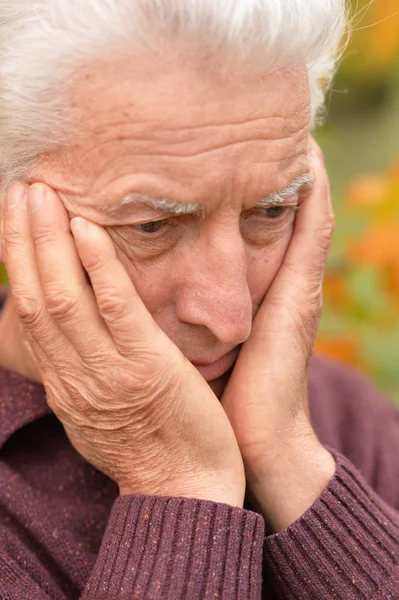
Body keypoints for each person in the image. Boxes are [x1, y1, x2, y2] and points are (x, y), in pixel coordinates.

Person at [0, 0, 397, 598]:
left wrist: (290, 463)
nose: (230, 317)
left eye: (270, 210)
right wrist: (180, 485)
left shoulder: (344, 416)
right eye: (151, 228)